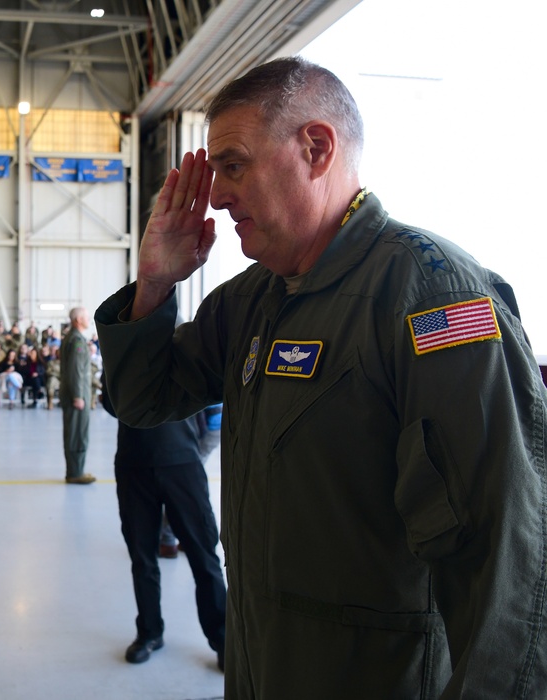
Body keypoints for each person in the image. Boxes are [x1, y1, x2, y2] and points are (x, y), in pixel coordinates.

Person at [95, 56, 547, 697]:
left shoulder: (432, 295)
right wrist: (156, 284)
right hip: (261, 666)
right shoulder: (247, 300)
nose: (217, 195)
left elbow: (509, 559)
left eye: (232, 165)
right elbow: (141, 400)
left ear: (315, 147)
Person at [100, 375, 227, 669]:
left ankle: (222, 638)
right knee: (142, 558)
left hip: (182, 461)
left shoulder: (182, 343)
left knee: (203, 556)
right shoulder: (120, 348)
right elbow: (110, 404)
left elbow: (208, 394)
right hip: (135, 464)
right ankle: (149, 632)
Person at [60, 307, 95, 484]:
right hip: (77, 395)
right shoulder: (77, 340)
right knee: (77, 433)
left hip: (77, 393)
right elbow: (76, 371)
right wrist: (78, 396)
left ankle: (76, 470)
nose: (89, 319)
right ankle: (75, 472)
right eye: (86, 317)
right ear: (78, 320)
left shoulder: (75, 338)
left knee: (77, 432)